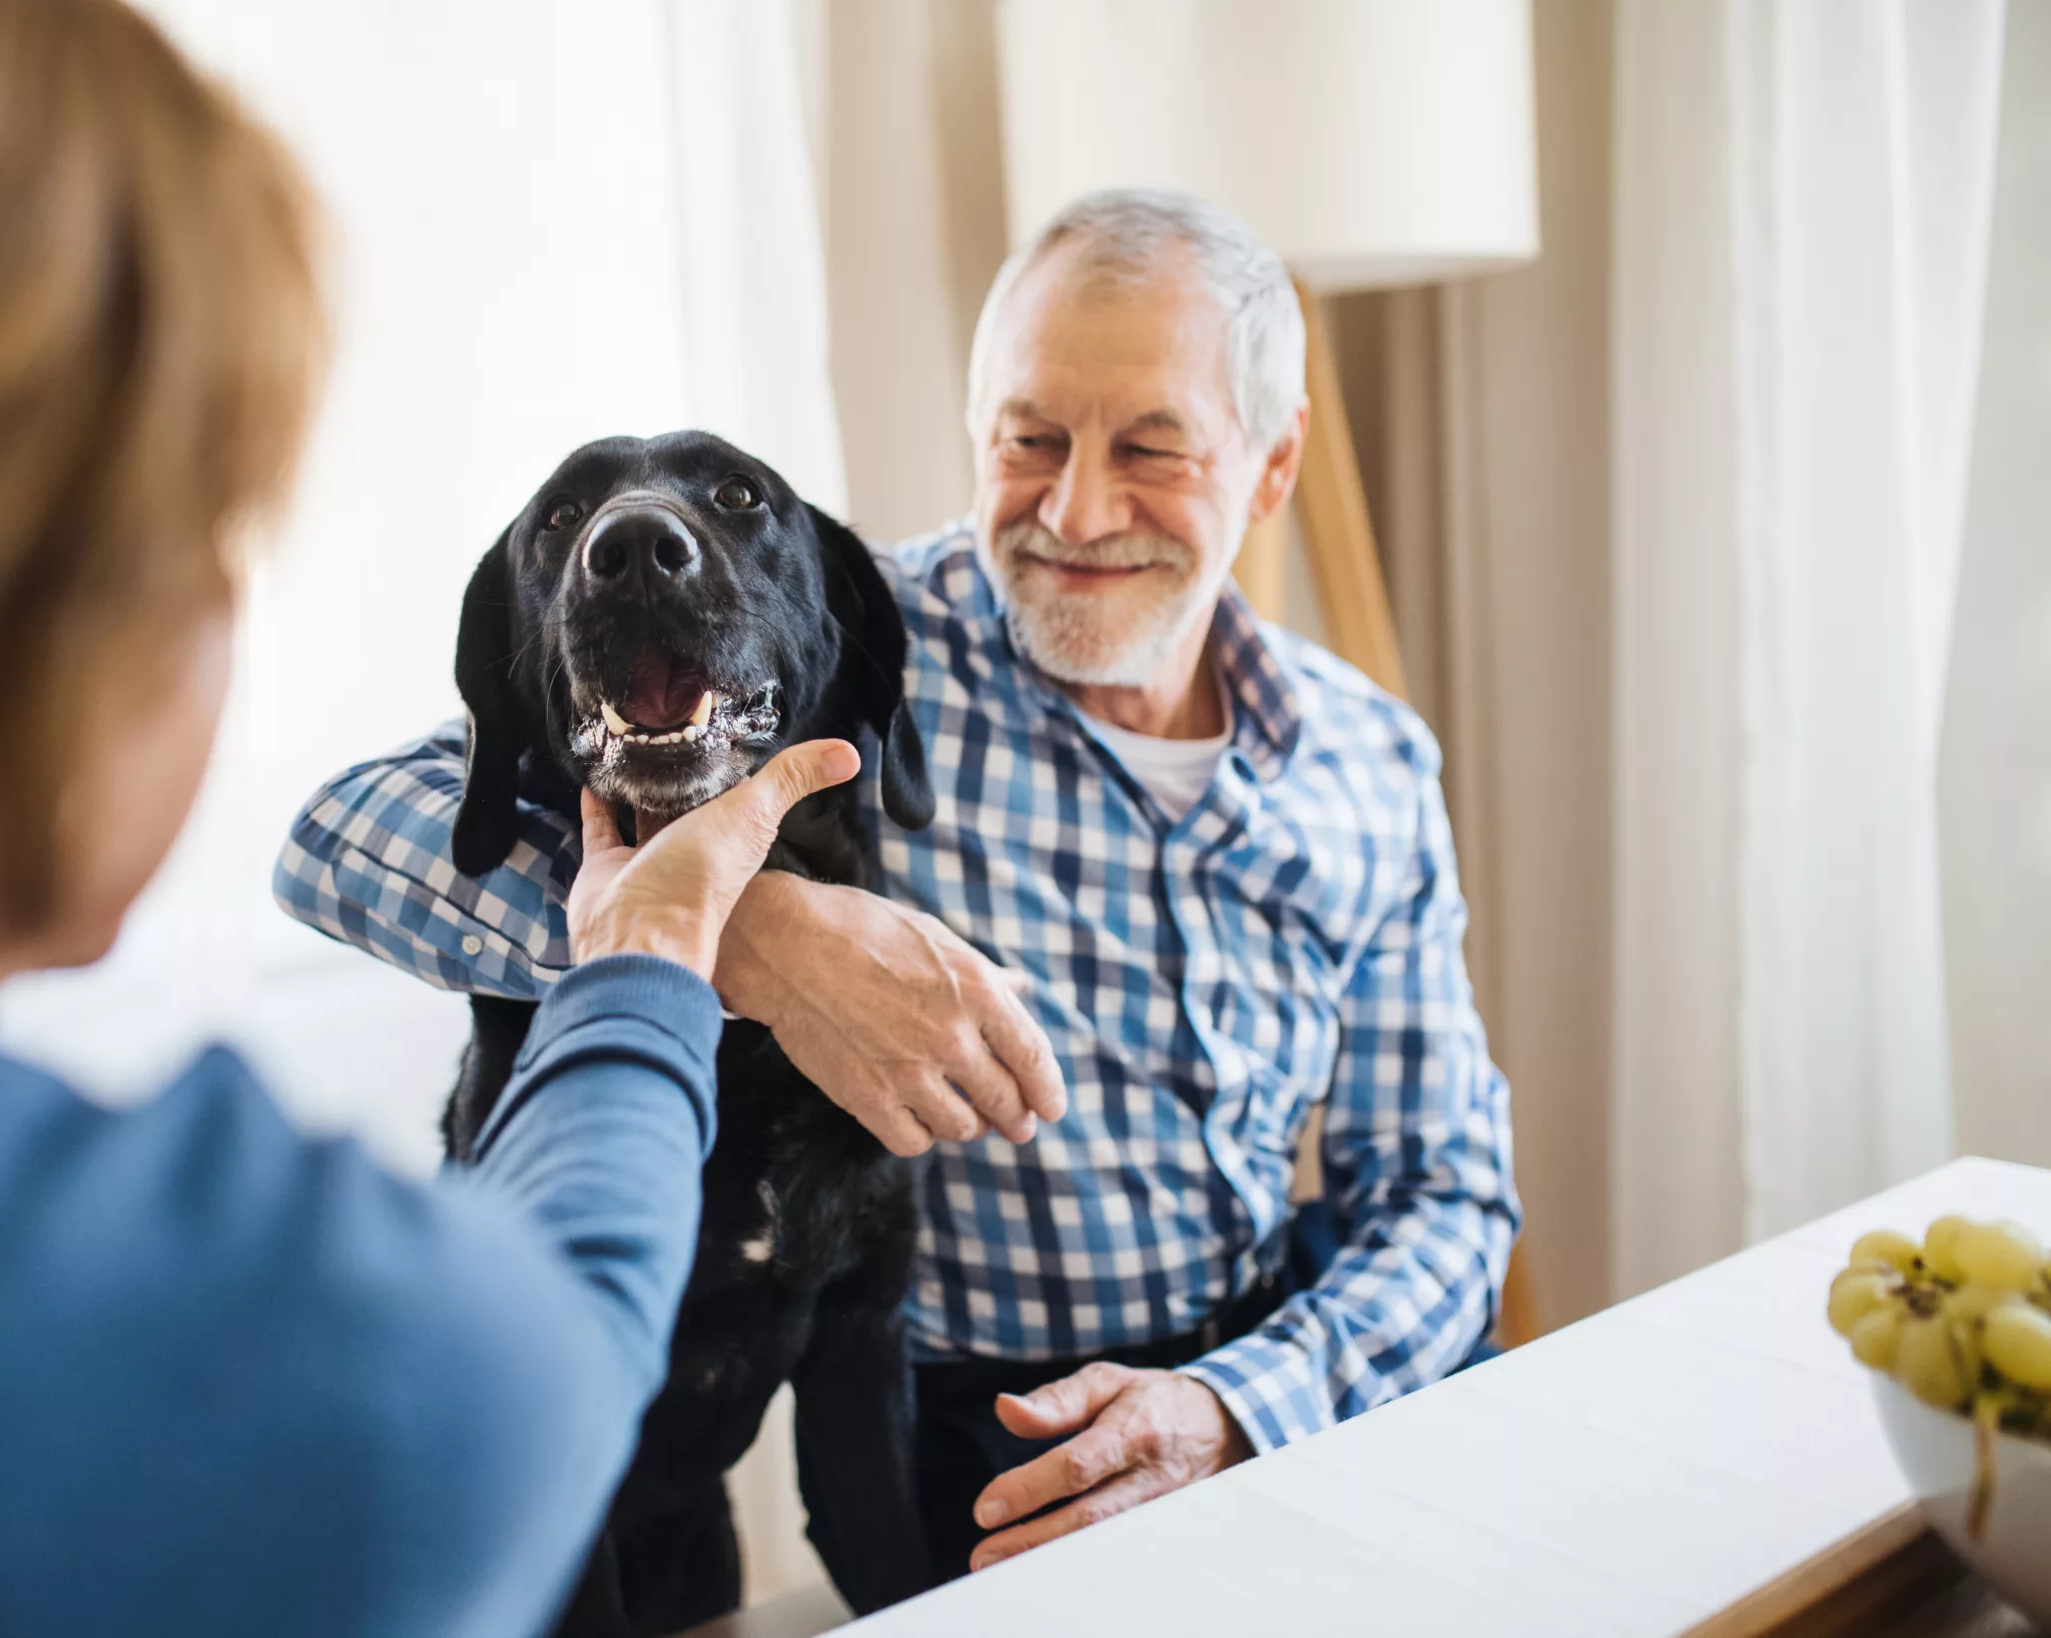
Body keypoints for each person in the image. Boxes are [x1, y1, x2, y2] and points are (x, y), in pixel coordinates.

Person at [0, 2, 859, 1634]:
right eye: (205, 527)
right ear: (56, 623)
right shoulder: (154, 1318)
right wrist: (646, 961)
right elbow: (539, 1359)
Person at [279, 189, 1523, 1584]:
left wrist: (1247, 1405)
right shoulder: (845, 637)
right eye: (1031, 439)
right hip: (965, 1443)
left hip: (1273, 1399)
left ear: (1274, 460)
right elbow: (340, 836)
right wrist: (750, 933)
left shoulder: (1372, 760)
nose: (1076, 509)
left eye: (1152, 448)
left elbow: (1443, 1190)